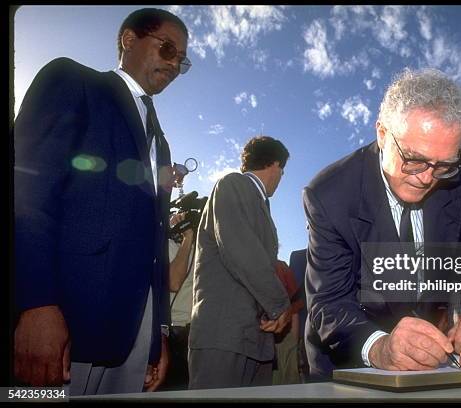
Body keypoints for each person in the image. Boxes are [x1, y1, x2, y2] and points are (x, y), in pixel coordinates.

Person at [13, 8, 190, 395]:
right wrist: (35, 303)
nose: (176, 64)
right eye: (169, 49)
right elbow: (27, 191)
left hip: (134, 338)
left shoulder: (162, 144)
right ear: (129, 40)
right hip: (66, 329)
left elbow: (156, 244)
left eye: (182, 60)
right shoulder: (72, 82)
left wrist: (158, 330)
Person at [303, 68, 461, 380]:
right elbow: (329, 303)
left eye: (443, 165)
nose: (427, 178)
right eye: (414, 159)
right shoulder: (329, 194)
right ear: (382, 133)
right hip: (350, 351)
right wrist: (381, 348)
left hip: (432, 355)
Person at [189, 136, 292, 389]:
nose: (281, 179)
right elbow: (242, 251)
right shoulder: (233, 183)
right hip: (225, 336)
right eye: (283, 172)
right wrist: (280, 305)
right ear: (276, 165)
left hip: (255, 339)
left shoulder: (261, 207)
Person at [158, 211, 197, 391]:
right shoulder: (168, 246)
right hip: (176, 333)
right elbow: (173, 282)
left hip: (197, 332)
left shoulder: (200, 251)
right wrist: (187, 238)